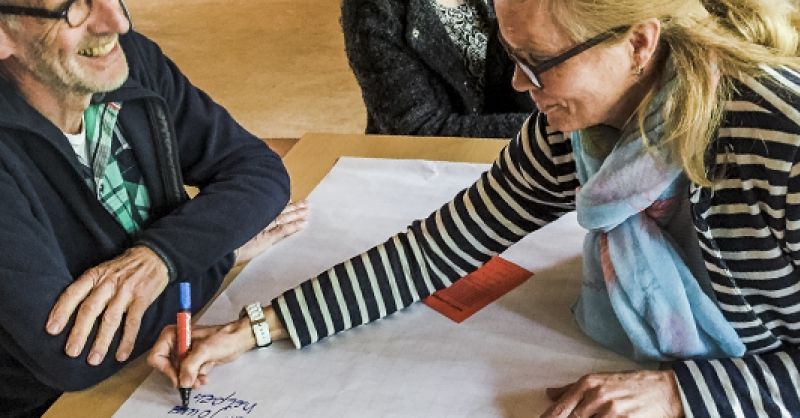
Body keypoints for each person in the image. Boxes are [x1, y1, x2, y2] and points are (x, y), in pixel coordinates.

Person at [150, 0, 800, 416]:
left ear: (639, 44)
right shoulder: (576, 128)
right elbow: (438, 248)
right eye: (514, 57)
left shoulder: (780, 139)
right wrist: (257, 326)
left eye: (537, 63)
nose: (519, 85)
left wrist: (682, 394)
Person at [0, 0, 308, 416]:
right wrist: (221, 253)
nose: (117, 22)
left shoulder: (125, 60)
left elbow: (257, 170)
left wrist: (161, 257)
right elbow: (71, 353)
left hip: (150, 361)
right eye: (74, 8)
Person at [342, 0, 535, 138]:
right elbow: (420, 132)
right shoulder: (372, 9)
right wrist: (542, 129)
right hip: (430, 172)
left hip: (514, 157)